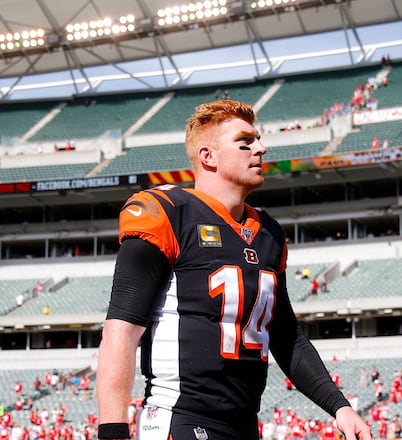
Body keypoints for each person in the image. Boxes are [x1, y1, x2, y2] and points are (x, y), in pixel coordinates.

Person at [95, 100, 371, 440]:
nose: (261, 148)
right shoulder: (168, 214)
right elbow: (121, 331)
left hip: (243, 425)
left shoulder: (267, 232)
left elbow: (286, 337)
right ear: (208, 156)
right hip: (180, 419)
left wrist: (340, 407)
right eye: (246, 142)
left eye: (258, 140)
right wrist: (112, 430)